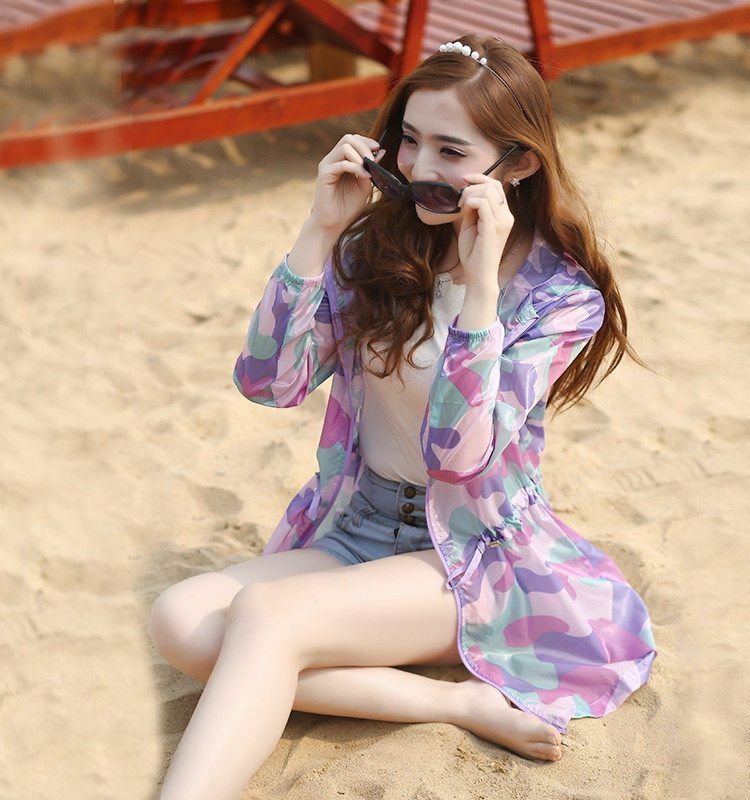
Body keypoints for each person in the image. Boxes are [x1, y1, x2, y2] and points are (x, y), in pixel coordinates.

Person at [147, 34, 657, 800]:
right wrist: (320, 231)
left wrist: (480, 292)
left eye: (452, 151)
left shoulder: (559, 297)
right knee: (179, 618)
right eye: (410, 140)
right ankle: (451, 703)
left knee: (267, 617)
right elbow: (267, 384)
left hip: (468, 555)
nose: (418, 168)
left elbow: (459, 456)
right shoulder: (378, 247)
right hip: (358, 522)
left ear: (518, 164)